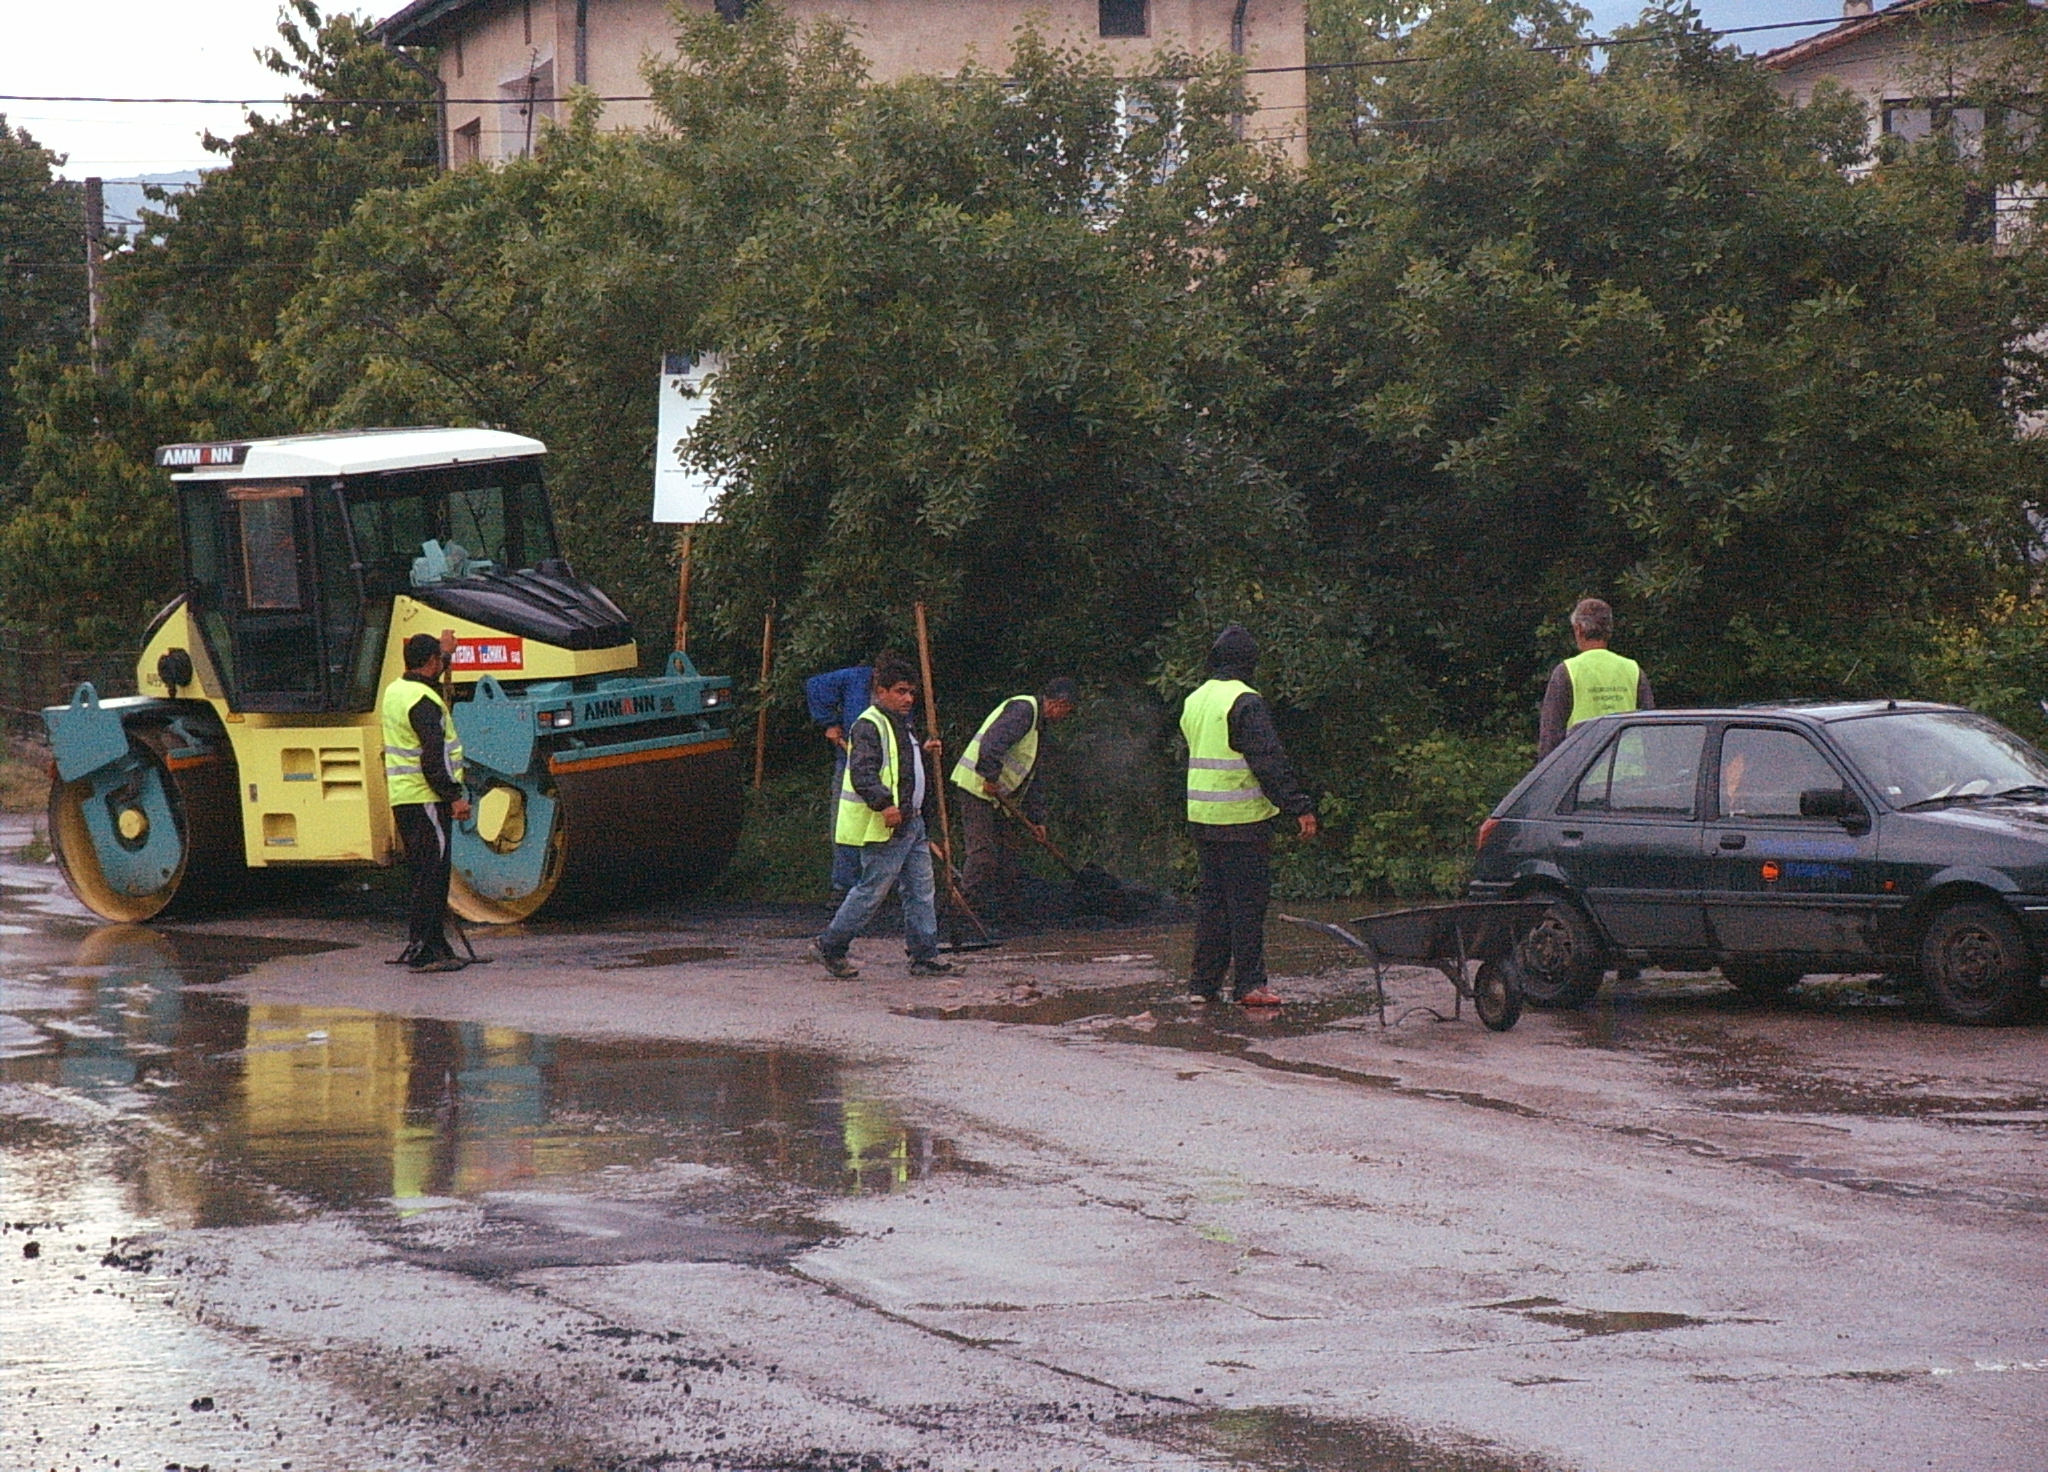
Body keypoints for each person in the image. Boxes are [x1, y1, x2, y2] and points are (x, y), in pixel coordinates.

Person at [1180, 625, 1316, 1008]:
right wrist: (1299, 806)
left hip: (1203, 817)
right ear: (1249, 663)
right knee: (1246, 905)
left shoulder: (1195, 699)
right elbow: (1268, 761)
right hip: (1242, 820)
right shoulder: (1245, 701)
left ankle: (1202, 986)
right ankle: (1249, 985)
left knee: (1213, 903)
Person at [808, 653, 959, 980]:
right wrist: (885, 805)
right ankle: (830, 945)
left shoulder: (901, 724)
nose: (908, 699)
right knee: (871, 891)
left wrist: (924, 751)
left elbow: (901, 765)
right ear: (882, 691)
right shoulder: (868, 725)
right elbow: (863, 772)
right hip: (888, 824)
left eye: (911, 693)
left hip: (912, 822)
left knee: (920, 890)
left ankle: (924, 954)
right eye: (902, 691)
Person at [950, 677, 1080, 917]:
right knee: (982, 854)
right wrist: (989, 777)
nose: (1064, 717)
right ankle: (962, 913)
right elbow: (991, 744)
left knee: (1008, 854)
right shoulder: (1023, 711)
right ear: (1058, 704)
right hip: (977, 788)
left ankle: (1004, 912)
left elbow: (1034, 776)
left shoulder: (1040, 727)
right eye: (1067, 711)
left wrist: (1037, 819)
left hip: (998, 798)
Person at [381, 632, 472, 973]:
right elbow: (433, 761)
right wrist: (455, 798)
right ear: (431, 661)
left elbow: (429, 671)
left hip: (406, 797)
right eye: (439, 658)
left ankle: (433, 945)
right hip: (427, 798)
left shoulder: (396, 692)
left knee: (423, 872)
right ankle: (425, 950)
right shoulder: (424, 702)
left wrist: (446, 652)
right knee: (432, 875)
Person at [1537, 597, 1654, 759]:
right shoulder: (1633, 670)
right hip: (1629, 773)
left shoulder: (1566, 672)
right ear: (1609, 630)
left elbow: (1550, 737)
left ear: (1578, 629)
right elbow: (1650, 729)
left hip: (1583, 773)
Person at [805, 663, 873, 895]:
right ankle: (844, 886)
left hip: (883, 766)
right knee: (846, 824)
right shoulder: (858, 678)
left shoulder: (902, 698)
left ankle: (876, 885)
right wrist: (829, 723)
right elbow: (815, 686)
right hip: (849, 761)